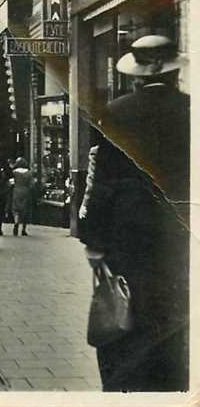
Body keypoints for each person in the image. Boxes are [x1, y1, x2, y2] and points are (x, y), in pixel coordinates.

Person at [77, 35, 189, 392]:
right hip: (181, 238)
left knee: (127, 316)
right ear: (173, 73)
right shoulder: (191, 110)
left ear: (137, 76)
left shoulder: (116, 112)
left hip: (128, 237)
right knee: (175, 319)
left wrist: (93, 242)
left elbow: (101, 185)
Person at [11, 157, 34, 236]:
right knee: (25, 210)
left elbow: (11, 182)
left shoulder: (14, 172)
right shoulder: (29, 173)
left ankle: (16, 222)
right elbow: (32, 184)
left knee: (15, 209)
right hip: (25, 192)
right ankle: (23, 229)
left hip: (16, 190)